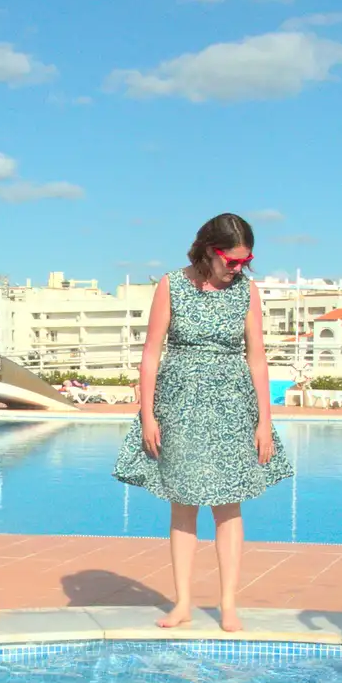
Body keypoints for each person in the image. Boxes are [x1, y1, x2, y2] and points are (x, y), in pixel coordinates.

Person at [113, 213, 294, 632]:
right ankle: (182, 604)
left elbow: (257, 357)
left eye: (245, 261)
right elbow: (152, 353)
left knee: (228, 507)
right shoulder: (171, 285)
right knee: (184, 503)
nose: (239, 268)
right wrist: (148, 414)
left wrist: (265, 421)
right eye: (231, 261)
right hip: (180, 405)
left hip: (233, 405)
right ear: (210, 251)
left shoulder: (247, 291)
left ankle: (228, 605)